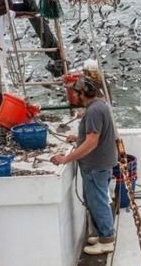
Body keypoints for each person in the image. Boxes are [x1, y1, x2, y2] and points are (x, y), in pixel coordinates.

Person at [50, 76, 117, 255]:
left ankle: (107, 239)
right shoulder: (99, 106)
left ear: (82, 94)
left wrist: (66, 159)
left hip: (96, 166)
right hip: (100, 163)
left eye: (75, 92)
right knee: (95, 200)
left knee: (98, 202)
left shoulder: (94, 111)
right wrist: (77, 138)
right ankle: (103, 233)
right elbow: (92, 136)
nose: (74, 96)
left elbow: (92, 142)